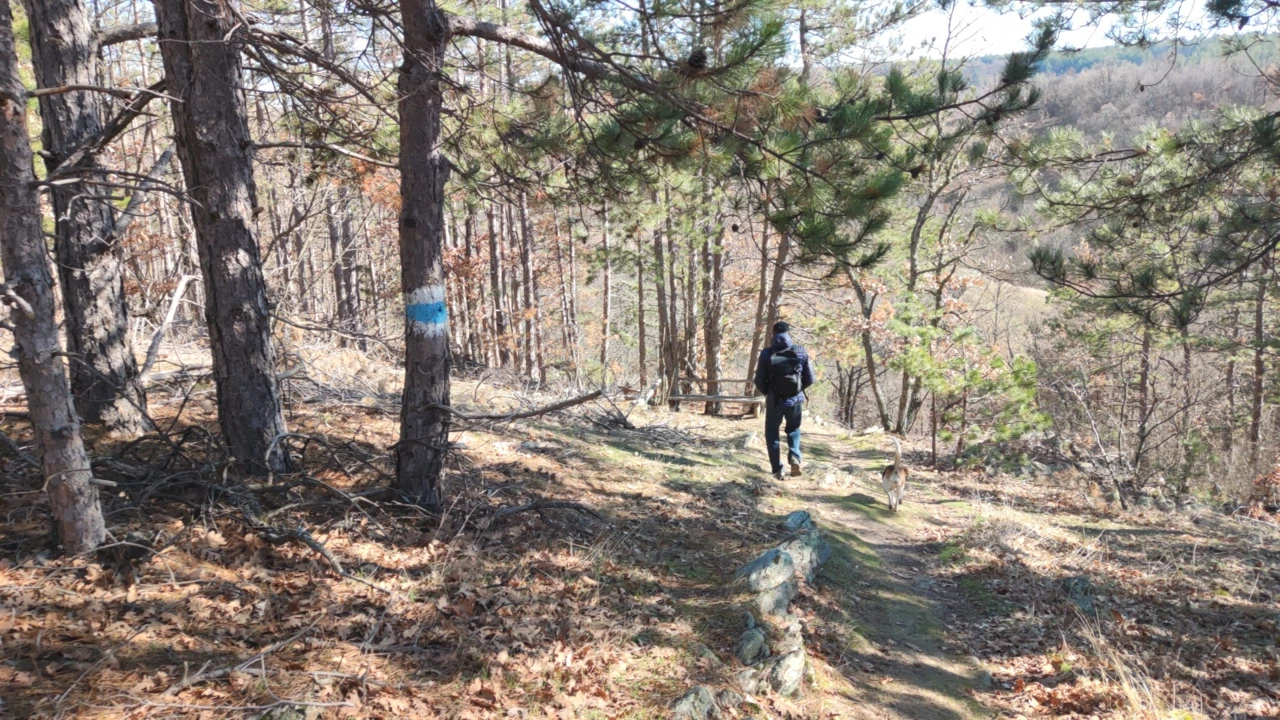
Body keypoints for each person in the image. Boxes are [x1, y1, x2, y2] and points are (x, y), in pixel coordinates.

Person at [753, 321, 815, 480]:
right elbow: (810, 378)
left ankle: (777, 470)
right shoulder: (800, 351)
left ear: (773, 334)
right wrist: (797, 390)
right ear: (788, 333)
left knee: (772, 434)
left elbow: (759, 380)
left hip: (775, 401)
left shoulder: (766, 353)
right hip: (795, 401)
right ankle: (794, 457)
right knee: (793, 429)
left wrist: (770, 393)